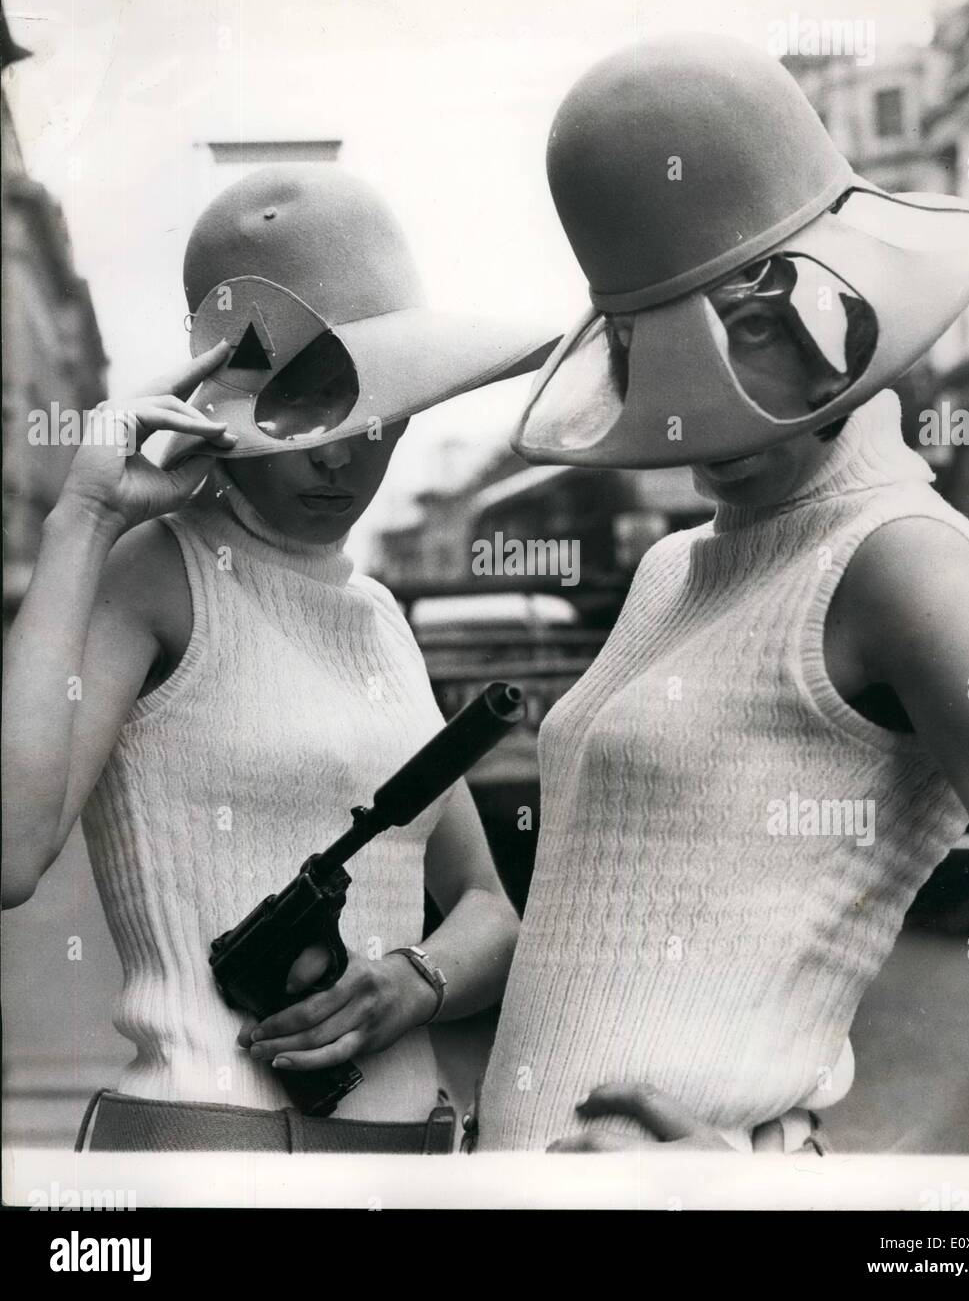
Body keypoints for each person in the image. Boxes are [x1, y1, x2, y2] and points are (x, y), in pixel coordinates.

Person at [478, 35, 969, 1154]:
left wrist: (852, 1204)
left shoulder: (903, 561)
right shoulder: (669, 569)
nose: (708, 422)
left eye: (754, 333)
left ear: (837, 307)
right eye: (656, 360)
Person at [2, 164, 557, 1153]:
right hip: (214, 1149)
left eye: (372, 413)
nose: (339, 458)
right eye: (301, 420)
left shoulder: (382, 617)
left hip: (412, 1150)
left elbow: (485, 907)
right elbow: (9, 850)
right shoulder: (156, 574)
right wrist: (83, 514)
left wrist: (411, 984)